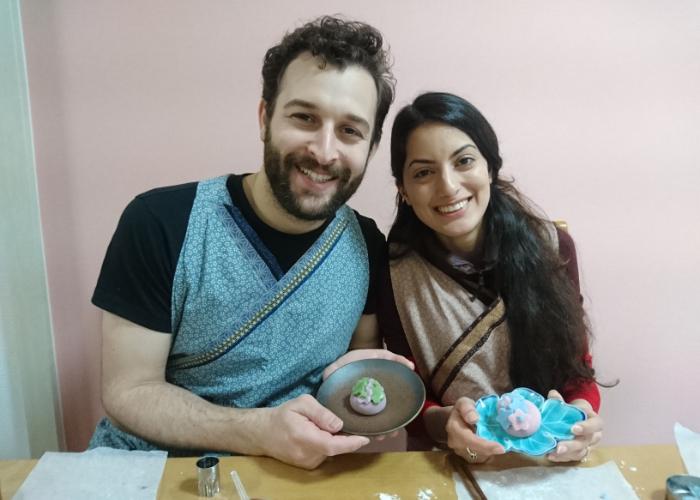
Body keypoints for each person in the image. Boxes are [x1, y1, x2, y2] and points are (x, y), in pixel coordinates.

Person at [88, 16, 410, 469]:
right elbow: (129, 391)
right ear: (265, 118)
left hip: (296, 474)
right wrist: (257, 430)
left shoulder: (366, 245)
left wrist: (374, 385)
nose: (323, 150)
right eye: (304, 117)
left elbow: (355, 363)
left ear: (371, 147)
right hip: (154, 469)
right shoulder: (160, 222)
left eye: (350, 131)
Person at [379, 92, 604, 464]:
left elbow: (577, 368)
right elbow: (409, 396)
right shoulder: (392, 273)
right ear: (403, 189)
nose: (448, 186)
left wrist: (580, 417)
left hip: (548, 462)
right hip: (447, 464)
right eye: (423, 172)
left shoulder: (553, 248)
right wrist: (445, 422)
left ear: (490, 167)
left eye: (464, 161)